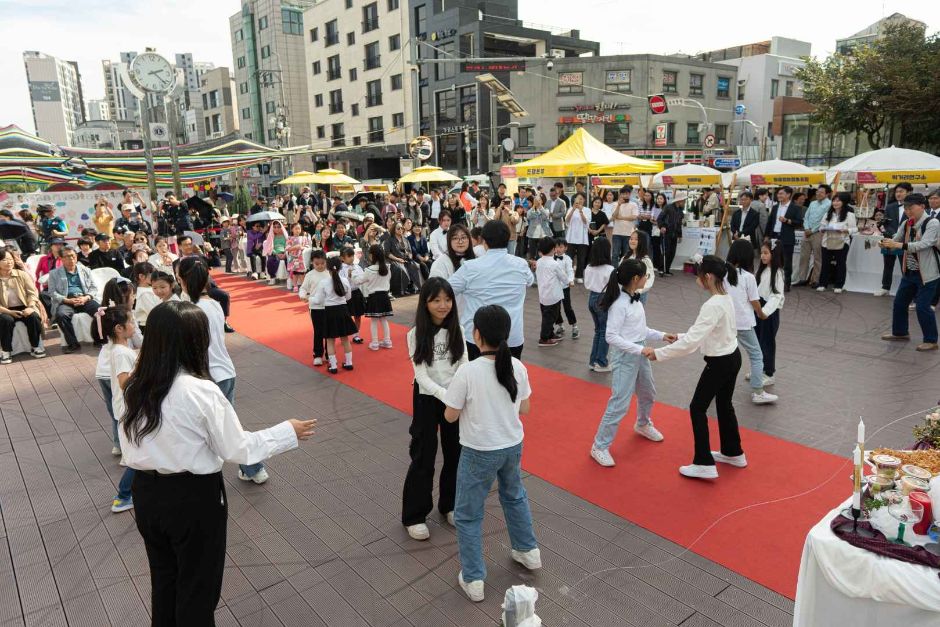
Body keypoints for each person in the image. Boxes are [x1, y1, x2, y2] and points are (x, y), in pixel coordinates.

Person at [120, 300, 315, 624]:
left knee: (165, 580)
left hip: (147, 493)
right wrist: (286, 432)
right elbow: (237, 449)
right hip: (193, 497)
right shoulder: (199, 391)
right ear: (194, 341)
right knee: (197, 589)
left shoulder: (136, 387)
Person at [443, 305, 539, 603]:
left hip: (478, 451)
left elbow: (449, 416)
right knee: (514, 495)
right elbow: (525, 408)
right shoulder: (517, 367)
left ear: (477, 335)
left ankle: (473, 578)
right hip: (512, 445)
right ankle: (528, 551)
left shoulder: (468, 371)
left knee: (469, 514)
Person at [643, 256, 744, 480]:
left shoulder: (712, 305)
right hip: (732, 357)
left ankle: (704, 462)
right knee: (724, 404)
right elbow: (703, 333)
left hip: (720, 362)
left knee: (697, 408)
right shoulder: (725, 298)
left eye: (698, 274)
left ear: (707, 277)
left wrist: (658, 354)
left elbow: (691, 344)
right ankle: (733, 451)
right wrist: (677, 336)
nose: (696, 279)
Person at [178, 257, 270, 483]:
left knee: (219, 427)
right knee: (228, 424)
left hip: (206, 375)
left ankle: (252, 467)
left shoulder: (191, 310)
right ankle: (252, 468)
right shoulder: (214, 304)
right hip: (224, 371)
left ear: (183, 280)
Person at [590, 259, 673, 467]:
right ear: (636, 279)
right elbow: (611, 336)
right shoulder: (618, 304)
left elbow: (640, 330)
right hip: (626, 356)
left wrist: (663, 335)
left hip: (640, 352)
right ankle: (599, 446)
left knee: (648, 392)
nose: (647, 278)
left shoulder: (636, 300)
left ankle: (643, 424)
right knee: (619, 402)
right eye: (646, 275)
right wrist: (640, 349)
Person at [402, 278, 468, 541]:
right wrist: (448, 395)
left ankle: (450, 505)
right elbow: (422, 376)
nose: (443, 305)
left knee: (456, 453)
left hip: (454, 398)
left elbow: (464, 362)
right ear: (425, 303)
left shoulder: (458, 329)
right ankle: (414, 515)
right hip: (428, 399)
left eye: (447, 299)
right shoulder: (415, 334)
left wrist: (456, 394)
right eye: (436, 300)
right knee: (423, 455)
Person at [450, 221, 533, 359]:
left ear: (484, 241)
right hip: (512, 336)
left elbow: (447, 289)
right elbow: (529, 281)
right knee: (509, 378)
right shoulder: (521, 264)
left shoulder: (470, 267)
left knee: (476, 379)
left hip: (477, 338)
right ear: (507, 240)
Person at [879, 193, 939, 351]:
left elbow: (924, 244)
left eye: (910, 207)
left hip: (927, 274)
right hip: (910, 272)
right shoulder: (906, 223)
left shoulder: (932, 223)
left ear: (922, 206)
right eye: (905, 208)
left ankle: (931, 340)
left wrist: (898, 245)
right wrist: (886, 242)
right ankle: (900, 332)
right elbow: (897, 238)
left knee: (922, 307)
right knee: (899, 303)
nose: (907, 211)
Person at [97, 306, 138, 513]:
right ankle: (123, 495)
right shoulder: (121, 352)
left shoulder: (117, 349)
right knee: (140, 455)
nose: (134, 325)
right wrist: (143, 366)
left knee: (140, 453)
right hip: (130, 409)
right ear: (119, 328)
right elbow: (124, 382)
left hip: (127, 408)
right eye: (131, 322)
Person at [725, 240, 777, 405]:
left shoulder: (723, 274)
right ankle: (758, 391)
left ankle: (716, 388)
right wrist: (762, 314)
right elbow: (755, 302)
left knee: (724, 354)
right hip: (743, 323)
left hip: (726, 321)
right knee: (756, 355)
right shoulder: (748, 277)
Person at [311, 256, 358, 373]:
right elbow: (348, 297)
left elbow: (318, 300)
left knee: (330, 340)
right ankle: (349, 363)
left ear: (328, 268)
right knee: (345, 339)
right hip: (343, 311)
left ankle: (333, 366)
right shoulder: (345, 280)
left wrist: (310, 298)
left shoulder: (324, 282)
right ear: (340, 267)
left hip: (330, 312)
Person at [48, 247, 100, 353]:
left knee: (100, 312)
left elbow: (94, 288)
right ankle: (72, 344)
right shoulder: (54, 273)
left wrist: (86, 297)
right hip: (67, 300)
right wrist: (66, 300)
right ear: (61, 259)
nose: (71, 258)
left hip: (84, 298)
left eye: (73, 256)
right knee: (61, 315)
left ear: (76, 257)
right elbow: (52, 292)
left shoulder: (85, 270)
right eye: (67, 256)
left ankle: (99, 339)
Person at [0, 248, 45, 363]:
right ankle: (6, 351)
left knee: (34, 317)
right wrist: (9, 312)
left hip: (25, 306)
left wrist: (30, 307)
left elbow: (32, 293)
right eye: (5, 259)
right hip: (4, 310)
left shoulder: (22, 274)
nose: (9, 262)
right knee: (5, 320)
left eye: (11, 259)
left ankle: (36, 347)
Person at [755, 242, 785, 387]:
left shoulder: (777, 273)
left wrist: (765, 312)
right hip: (760, 310)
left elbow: (776, 296)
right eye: (761, 252)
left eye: (766, 253)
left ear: (774, 254)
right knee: (758, 341)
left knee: (767, 343)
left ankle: (769, 373)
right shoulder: (763, 270)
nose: (762, 256)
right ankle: (758, 369)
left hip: (769, 313)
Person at [816, 192, 858, 294]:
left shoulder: (849, 215)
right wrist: (823, 229)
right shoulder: (828, 214)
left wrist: (845, 230)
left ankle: (839, 285)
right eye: (834, 200)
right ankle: (822, 284)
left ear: (844, 202)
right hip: (827, 241)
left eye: (838, 200)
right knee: (825, 263)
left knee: (840, 264)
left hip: (842, 242)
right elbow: (821, 226)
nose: (835, 202)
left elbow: (854, 229)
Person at [876, 183, 913, 297]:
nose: (898, 194)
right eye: (897, 191)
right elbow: (886, 223)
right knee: (888, 264)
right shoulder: (890, 206)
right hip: (889, 239)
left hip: (905, 241)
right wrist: (893, 234)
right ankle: (885, 287)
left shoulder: (913, 207)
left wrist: (901, 235)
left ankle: (908, 291)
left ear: (909, 192)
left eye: (901, 191)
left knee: (906, 266)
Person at [765, 186, 803, 291]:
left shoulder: (795, 208)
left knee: (786, 262)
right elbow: (770, 222)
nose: (779, 196)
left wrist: (787, 220)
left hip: (787, 237)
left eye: (781, 194)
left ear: (788, 195)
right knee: (773, 260)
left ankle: (786, 284)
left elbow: (799, 222)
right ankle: (773, 282)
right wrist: (767, 235)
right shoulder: (775, 207)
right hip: (774, 236)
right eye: (778, 194)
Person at [535, 236, 568, 348]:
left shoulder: (539, 262)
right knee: (549, 318)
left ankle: (550, 334)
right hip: (553, 296)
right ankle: (544, 338)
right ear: (553, 249)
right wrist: (568, 281)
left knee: (547, 316)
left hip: (543, 295)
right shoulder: (555, 264)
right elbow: (564, 277)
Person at [795, 185, 831, 287]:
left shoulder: (829, 204)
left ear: (827, 194)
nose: (818, 194)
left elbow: (825, 220)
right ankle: (802, 278)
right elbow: (806, 217)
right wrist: (806, 228)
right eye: (817, 192)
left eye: (821, 192)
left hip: (819, 233)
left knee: (817, 257)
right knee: (803, 256)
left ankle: (815, 280)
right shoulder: (812, 203)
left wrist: (813, 230)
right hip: (806, 232)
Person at [359, 245, 394, 350]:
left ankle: (375, 343)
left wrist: (352, 276)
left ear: (371, 255)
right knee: (384, 320)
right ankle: (387, 341)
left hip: (374, 297)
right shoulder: (387, 267)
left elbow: (360, 281)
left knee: (374, 321)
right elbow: (388, 280)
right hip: (384, 296)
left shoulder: (369, 269)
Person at [298, 250, 330, 365]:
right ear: (312, 262)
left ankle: (329, 354)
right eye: (317, 264)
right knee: (318, 331)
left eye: (322, 263)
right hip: (315, 307)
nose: (320, 266)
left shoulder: (330, 273)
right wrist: (302, 295)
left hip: (329, 306)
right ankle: (317, 354)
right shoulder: (310, 275)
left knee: (329, 331)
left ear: (326, 261)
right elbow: (303, 288)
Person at [552, 238, 578, 340]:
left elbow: (570, 271)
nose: (558, 249)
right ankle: (560, 325)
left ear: (565, 248)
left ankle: (574, 326)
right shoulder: (551, 258)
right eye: (556, 247)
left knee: (567, 307)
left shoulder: (567, 259)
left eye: (561, 247)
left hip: (565, 287)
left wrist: (571, 280)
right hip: (555, 287)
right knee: (556, 308)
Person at [621, 230, 655, 304]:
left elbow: (649, 279)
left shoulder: (645, 260)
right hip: (625, 293)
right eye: (631, 238)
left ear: (642, 242)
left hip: (638, 295)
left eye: (636, 239)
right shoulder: (626, 257)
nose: (632, 241)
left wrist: (637, 291)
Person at [657, 192, 684, 276]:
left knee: (672, 252)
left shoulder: (680, 211)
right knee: (665, 252)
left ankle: (667, 270)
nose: (684, 202)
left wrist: (680, 235)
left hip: (674, 234)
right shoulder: (668, 207)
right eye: (683, 200)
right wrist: (662, 226)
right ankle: (662, 270)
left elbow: (679, 224)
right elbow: (659, 218)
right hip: (666, 233)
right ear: (679, 200)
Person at [565, 194, 590, 283]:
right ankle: (569, 276)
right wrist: (573, 210)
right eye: (577, 199)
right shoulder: (570, 209)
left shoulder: (587, 210)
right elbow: (567, 221)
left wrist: (580, 211)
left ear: (584, 200)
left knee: (581, 258)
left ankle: (579, 276)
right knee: (569, 257)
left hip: (582, 238)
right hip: (571, 237)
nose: (579, 201)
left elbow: (586, 223)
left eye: (581, 199)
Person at [610, 185, 638, 266]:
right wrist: (619, 205)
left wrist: (621, 217)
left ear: (630, 194)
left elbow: (634, 217)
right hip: (617, 233)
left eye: (627, 194)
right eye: (623, 194)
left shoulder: (633, 204)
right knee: (615, 254)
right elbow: (614, 216)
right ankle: (614, 272)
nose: (625, 195)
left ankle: (624, 271)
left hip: (629, 233)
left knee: (626, 254)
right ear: (620, 194)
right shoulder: (615, 204)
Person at [131, 262, 158, 330]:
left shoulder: (148, 289)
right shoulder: (144, 294)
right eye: (152, 274)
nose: (155, 277)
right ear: (141, 276)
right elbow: (154, 313)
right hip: (149, 327)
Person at [262, 221, 288, 286]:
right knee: (271, 260)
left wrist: (285, 254)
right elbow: (269, 247)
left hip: (284, 253)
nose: (276, 229)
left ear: (281, 227)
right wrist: (276, 254)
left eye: (278, 227)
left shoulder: (285, 236)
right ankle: (272, 277)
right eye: (275, 227)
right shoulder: (271, 236)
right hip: (274, 253)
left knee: (290, 260)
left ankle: (290, 277)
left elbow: (288, 245)